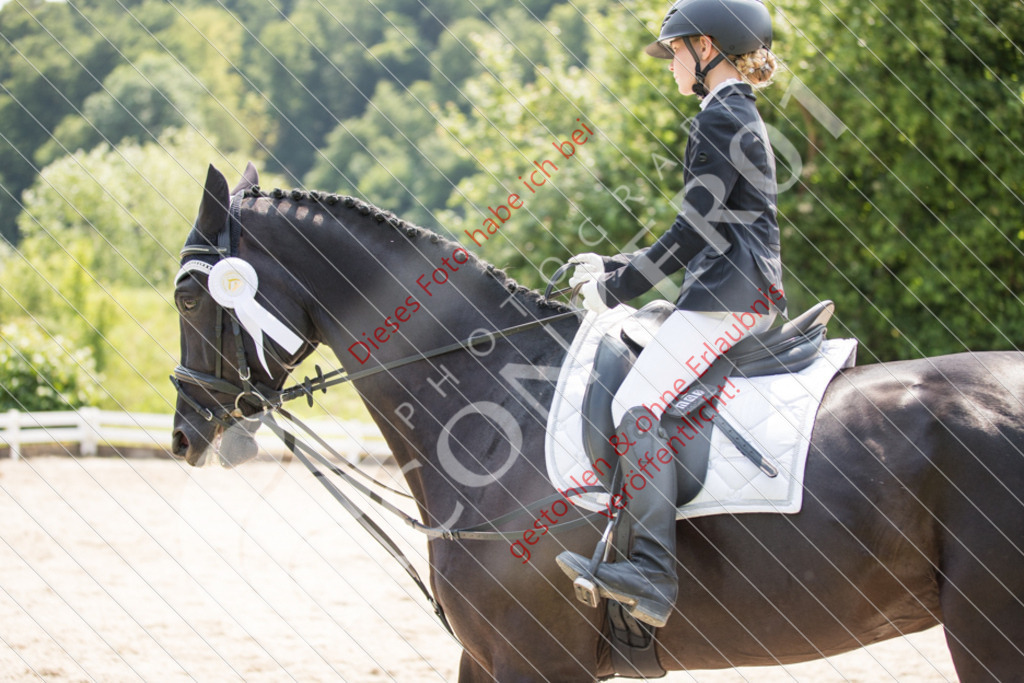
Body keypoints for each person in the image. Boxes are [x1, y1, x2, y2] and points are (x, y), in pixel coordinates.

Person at [556, 0, 788, 628]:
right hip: (736, 288)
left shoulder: (718, 119)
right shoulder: (738, 112)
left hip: (728, 298)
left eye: (675, 52)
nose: (669, 66)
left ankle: (653, 572)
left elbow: (692, 232)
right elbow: (706, 232)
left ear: (705, 46)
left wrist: (618, 287)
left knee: (635, 406)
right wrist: (613, 266)